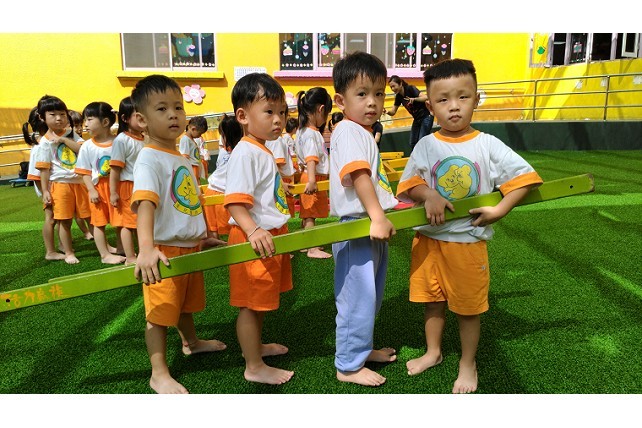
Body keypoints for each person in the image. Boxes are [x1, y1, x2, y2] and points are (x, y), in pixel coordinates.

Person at [395, 58, 543, 394]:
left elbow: (525, 178)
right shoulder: (426, 144)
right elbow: (409, 184)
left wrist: (500, 210)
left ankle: (467, 363)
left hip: (467, 243)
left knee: (467, 309)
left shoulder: (487, 143)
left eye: (463, 97)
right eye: (443, 99)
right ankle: (433, 352)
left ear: (477, 98)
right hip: (428, 241)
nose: (454, 106)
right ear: (430, 106)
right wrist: (428, 193)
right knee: (431, 301)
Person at [130, 74, 226, 394]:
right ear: (142, 120)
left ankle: (191, 342)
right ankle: (158, 373)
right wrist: (146, 248)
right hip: (164, 250)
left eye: (178, 107)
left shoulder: (180, 156)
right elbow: (145, 203)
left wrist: (202, 234)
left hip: (188, 246)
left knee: (185, 304)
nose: (173, 114)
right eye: (162, 109)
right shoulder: (149, 157)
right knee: (159, 314)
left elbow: (190, 202)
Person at [329, 51, 400, 387]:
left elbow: (373, 178)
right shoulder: (347, 130)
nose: (372, 102)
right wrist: (377, 215)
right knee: (356, 297)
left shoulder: (363, 132)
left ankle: (361, 348)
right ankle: (347, 365)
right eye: (362, 94)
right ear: (341, 101)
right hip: (357, 225)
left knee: (370, 295)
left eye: (379, 93)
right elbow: (358, 175)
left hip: (369, 223)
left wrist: (384, 211)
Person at [223, 72, 294, 385]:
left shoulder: (261, 149)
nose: (278, 119)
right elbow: (235, 202)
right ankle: (253, 365)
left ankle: (255, 348)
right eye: (269, 112)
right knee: (250, 306)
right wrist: (253, 231)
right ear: (243, 116)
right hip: (252, 239)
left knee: (259, 302)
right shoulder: (246, 151)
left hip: (265, 237)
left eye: (282, 112)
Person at [34, 95, 91, 265]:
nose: (58, 118)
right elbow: (44, 170)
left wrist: (64, 139)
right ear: (42, 117)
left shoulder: (71, 134)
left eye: (62, 114)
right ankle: (68, 252)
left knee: (90, 216)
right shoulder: (44, 143)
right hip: (60, 185)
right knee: (64, 221)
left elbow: (82, 150)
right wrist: (45, 191)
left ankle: (105, 247)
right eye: (52, 115)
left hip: (79, 182)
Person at [75, 102, 124, 264]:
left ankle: (122, 248)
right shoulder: (87, 146)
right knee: (99, 222)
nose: (85, 124)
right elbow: (84, 172)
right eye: (85, 120)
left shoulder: (119, 142)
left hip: (118, 187)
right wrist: (92, 190)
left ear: (105, 122)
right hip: (99, 188)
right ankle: (104, 255)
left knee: (121, 221)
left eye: (89, 119)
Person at [23, 107, 66, 261]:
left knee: (60, 217)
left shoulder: (48, 142)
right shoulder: (40, 145)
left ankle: (62, 244)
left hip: (53, 186)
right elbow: (36, 175)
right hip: (48, 188)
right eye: (52, 115)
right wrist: (45, 192)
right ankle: (50, 251)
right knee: (51, 218)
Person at [295, 87, 333, 259]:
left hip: (309, 176)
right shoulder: (311, 133)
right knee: (310, 214)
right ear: (321, 109)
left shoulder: (302, 131)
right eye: (326, 114)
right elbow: (311, 158)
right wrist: (312, 180)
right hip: (312, 177)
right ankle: (312, 248)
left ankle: (305, 243)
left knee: (307, 213)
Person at [110, 96, 145, 265]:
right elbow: (115, 169)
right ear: (125, 118)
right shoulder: (122, 140)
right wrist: (113, 192)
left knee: (141, 221)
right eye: (137, 115)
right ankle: (130, 257)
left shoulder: (144, 137)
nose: (143, 117)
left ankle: (143, 251)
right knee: (127, 224)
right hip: (128, 186)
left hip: (142, 185)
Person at [203, 114, 242, 240]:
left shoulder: (224, 151)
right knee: (231, 228)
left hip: (211, 190)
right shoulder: (242, 153)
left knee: (213, 229)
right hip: (223, 194)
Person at [385, 75, 434, 151]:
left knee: (422, 140)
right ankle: (417, 157)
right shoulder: (398, 97)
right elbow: (393, 112)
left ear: (400, 84)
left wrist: (414, 99)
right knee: (412, 143)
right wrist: (387, 112)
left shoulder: (410, 89)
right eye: (391, 87)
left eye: (394, 86)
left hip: (426, 116)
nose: (392, 89)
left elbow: (425, 97)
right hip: (417, 119)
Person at [67, 109, 94, 241]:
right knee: (76, 213)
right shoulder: (65, 141)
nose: (78, 129)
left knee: (85, 209)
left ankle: (91, 231)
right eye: (75, 126)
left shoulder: (81, 141)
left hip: (82, 180)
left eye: (80, 125)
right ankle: (85, 232)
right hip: (70, 181)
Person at [266, 132, 296, 218]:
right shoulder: (276, 140)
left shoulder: (276, 139)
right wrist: (282, 182)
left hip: (280, 179)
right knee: (284, 214)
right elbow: (277, 163)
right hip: (282, 179)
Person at [179, 115, 208, 182]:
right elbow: (184, 156)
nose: (200, 136)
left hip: (195, 167)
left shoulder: (191, 140)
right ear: (193, 129)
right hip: (192, 167)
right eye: (199, 133)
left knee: (197, 183)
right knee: (194, 184)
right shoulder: (185, 139)